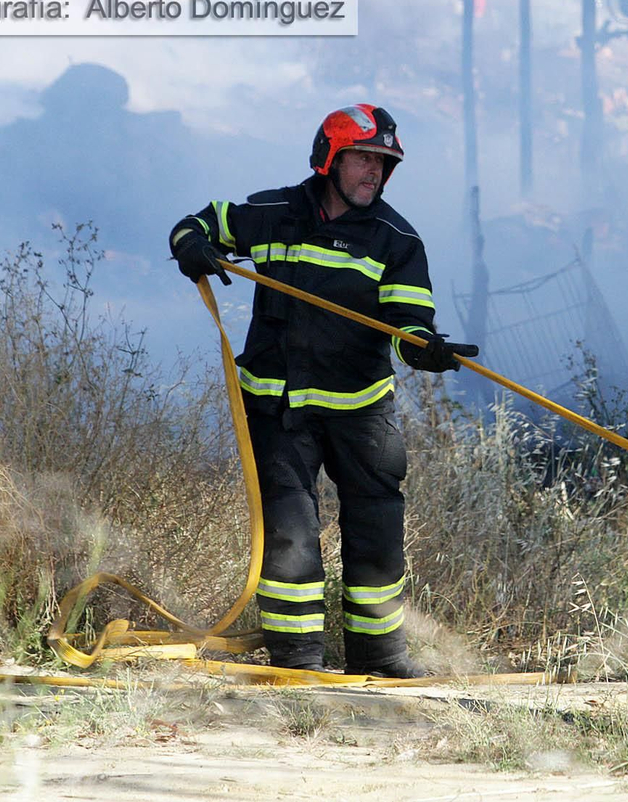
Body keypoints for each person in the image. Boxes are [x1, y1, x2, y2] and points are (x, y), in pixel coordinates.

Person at [168, 104, 478, 677]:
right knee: (290, 535)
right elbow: (198, 225)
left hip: (361, 412)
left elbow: (408, 327)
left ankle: (380, 657)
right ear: (329, 158)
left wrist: (426, 350)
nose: (374, 173)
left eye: (384, 164)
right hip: (277, 407)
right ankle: (298, 663)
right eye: (364, 158)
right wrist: (192, 246)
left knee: (378, 532)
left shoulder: (396, 240)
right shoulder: (272, 212)